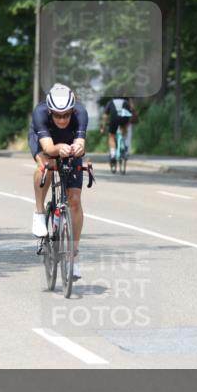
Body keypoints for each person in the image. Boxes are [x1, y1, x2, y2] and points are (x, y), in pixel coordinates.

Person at [29, 83, 88, 279]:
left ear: (72, 110)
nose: (62, 119)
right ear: (50, 111)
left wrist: (78, 148)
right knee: (45, 165)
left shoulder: (80, 113)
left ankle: (73, 258)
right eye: (57, 115)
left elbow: (80, 142)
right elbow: (48, 147)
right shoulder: (40, 113)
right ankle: (39, 212)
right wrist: (59, 147)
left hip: (68, 142)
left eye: (66, 115)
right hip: (46, 142)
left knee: (75, 201)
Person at [100, 96, 134, 166]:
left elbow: (105, 116)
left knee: (111, 136)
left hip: (114, 119)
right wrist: (127, 125)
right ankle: (124, 148)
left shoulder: (110, 102)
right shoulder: (126, 102)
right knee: (124, 131)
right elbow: (130, 114)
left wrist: (103, 127)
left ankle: (113, 155)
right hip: (124, 119)